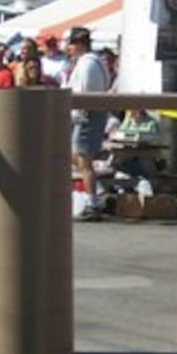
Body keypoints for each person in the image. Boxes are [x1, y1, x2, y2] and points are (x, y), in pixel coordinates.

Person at [65, 26, 111, 218]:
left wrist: (76, 114)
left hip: (87, 115)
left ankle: (93, 202)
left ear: (80, 44)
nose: (69, 48)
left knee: (83, 159)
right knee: (76, 156)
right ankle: (98, 192)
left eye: (72, 43)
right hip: (90, 114)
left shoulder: (88, 64)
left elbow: (84, 92)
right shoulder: (94, 62)